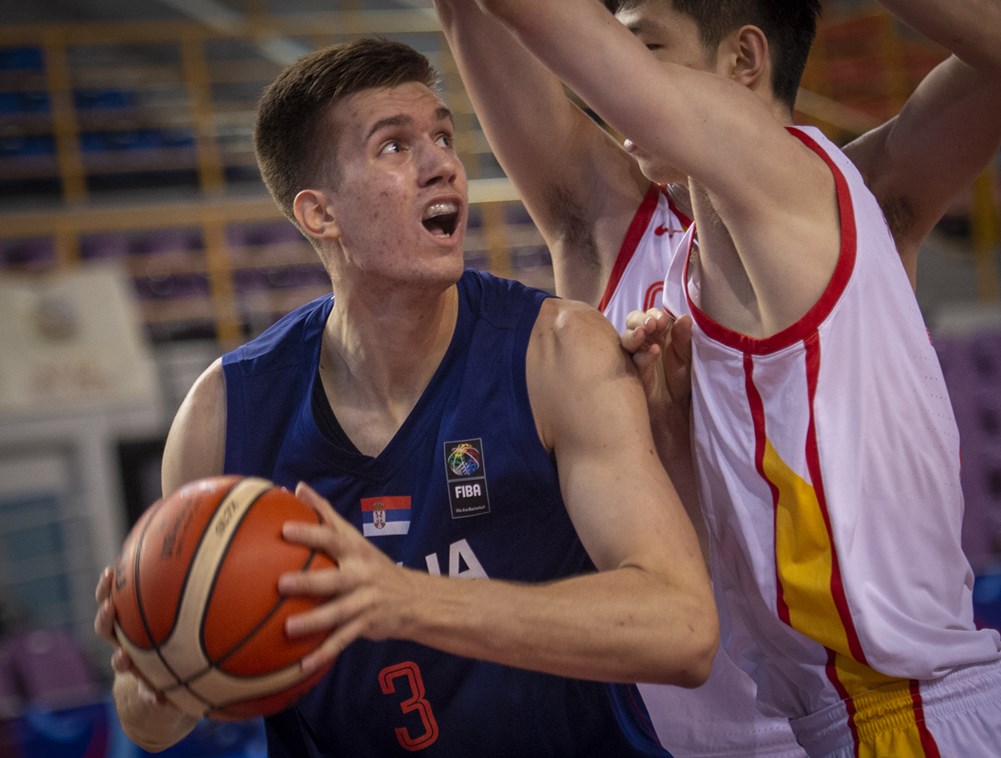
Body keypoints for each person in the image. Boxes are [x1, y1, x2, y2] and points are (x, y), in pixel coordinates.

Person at [93, 37, 719, 757]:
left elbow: (681, 627)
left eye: (443, 137)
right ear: (320, 214)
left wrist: (405, 599)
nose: (442, 164)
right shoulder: (224, 413)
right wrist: (160, 669)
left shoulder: (556, 351)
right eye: (393, 146)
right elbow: (150, 723)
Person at [435, 0, 1001, 754]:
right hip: (791, 716)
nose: (615, 87)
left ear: (744, 60)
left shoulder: (824, 188)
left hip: (888, 709)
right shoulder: (630, 225)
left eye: (645, 50)